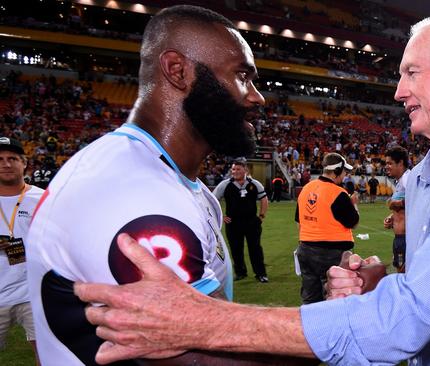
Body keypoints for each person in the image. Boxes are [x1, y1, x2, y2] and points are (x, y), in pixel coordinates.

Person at [74, 11, 430, 365]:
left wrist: (202, 321)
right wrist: (379, 284)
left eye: (410, 72)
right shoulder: (419, 178)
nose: (398, 91)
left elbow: (408, 319)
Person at [24, 5, 286, 365]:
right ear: (178, 71)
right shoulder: (136, 196)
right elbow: (210, 357)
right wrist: (343, 324)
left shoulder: (176, 182)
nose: (256, 96)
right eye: (242, 75)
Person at [294, 152, 359, 304]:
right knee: (333, 297)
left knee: (310, 297)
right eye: (343, 172)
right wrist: (353, 204)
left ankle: (310, 327)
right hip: (331, 252)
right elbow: (353, 222)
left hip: (305, 248)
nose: (344, 176)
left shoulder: (307, 188)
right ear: (336, 171)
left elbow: (299, 221)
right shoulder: (338, 193)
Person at [0, 137, 43, 365]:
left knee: (45, 352)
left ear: (24, 163)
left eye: (12, 158)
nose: (6, 163)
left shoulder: (42, 198)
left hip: (33, 291)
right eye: (0, 159)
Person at [213, 159, 269, 283]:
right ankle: (240, 273)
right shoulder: (224, 184)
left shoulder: (254, 183)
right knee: (235, 249)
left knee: (255, 249)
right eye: (233, 169)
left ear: (245, 170)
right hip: (233, 224)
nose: (235, 171)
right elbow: (213, 201)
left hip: (251, 222)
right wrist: (221, 216)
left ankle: (261, 274)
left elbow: (264, 199)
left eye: (238, 169)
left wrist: (261, 216)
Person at [382, 145, 410, 272]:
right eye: (386, 163)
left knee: (404, 275)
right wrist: (392, 217)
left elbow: (420, 200)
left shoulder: (408, 178)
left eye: (390, 163)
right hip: (399, 239)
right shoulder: (400, 182)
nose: (386, 166)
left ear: (400, 163)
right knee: (400, 272)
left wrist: (399, 204)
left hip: (406, 239)